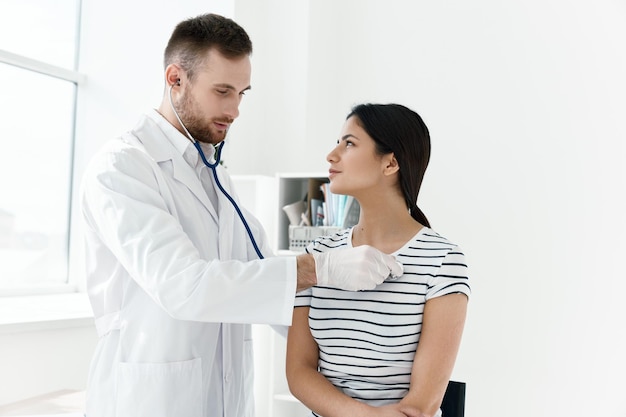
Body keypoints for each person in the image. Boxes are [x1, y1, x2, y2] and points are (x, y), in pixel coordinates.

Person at [79, 14, 403, 417]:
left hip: (225, 400)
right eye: (222, 91)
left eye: (242, 93)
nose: (235, 110)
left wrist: (380, 341)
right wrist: (318, 268)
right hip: (150, 400)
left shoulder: (214, 174)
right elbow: (185, 286)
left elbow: (262, 278)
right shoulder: (123, 168)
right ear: (175, 79)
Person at [286, 103, 471, 417]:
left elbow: (421, 406)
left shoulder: (442, 262)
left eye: (349, 144)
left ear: (390, 164)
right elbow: (299, 374)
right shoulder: (317, 259)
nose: (332, 155)